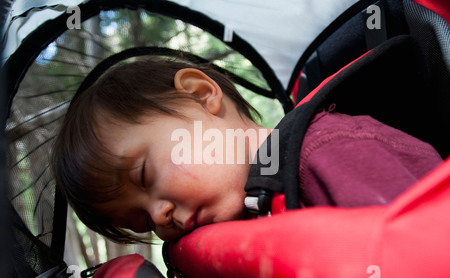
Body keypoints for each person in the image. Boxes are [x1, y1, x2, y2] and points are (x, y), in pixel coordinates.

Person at [52, 56, 443, 244]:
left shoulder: (326, 151)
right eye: (140, 221)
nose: (159, 215)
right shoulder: (259, 207)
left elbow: (418, 252)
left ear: (202, 96)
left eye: (144, 176)